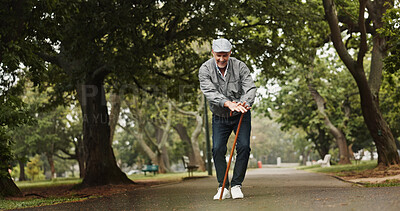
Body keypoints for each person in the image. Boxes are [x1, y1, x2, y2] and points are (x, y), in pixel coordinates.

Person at [199, 38, 256, 200]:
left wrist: (245, 103)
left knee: (244, 147)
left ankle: (236, 185)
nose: (222, 59)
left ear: (230, 53)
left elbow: (250, 87)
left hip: (241, 114)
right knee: (217, 149)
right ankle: (222, 186)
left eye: (225, 55)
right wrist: (228, 103)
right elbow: (209, 91)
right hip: (219, 116)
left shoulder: (240, 66)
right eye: (218, 55)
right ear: (213, 53)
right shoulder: (205, 69)